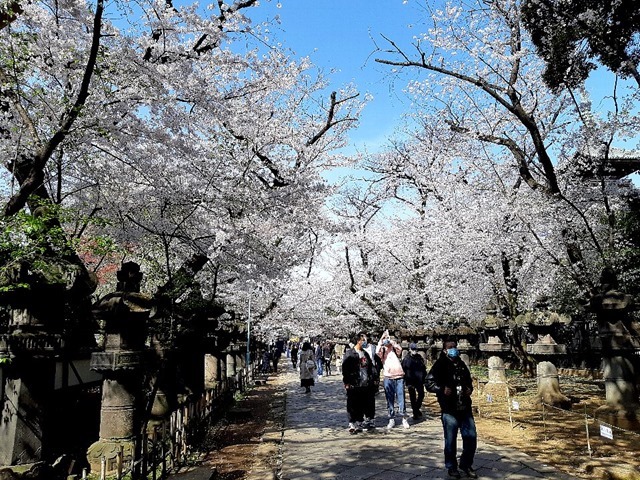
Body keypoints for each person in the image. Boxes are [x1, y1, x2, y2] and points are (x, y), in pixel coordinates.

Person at [425, 339, 478, 479]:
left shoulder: (460, 363)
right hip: (449, 409)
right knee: (450, 440)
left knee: (471, 437)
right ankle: (451, 467)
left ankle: (466, 464)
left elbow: (468, 381)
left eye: (454, 346)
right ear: (444, 350)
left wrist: (469, 389)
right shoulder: (440, 364)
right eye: (450, 347)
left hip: (464, 406)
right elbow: (429, 382)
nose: (453, 349)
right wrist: (441, 389)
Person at [341, 332, 375, 433]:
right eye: (363, 340)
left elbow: (370, 368)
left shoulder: (365, 353)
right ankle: (352, 422)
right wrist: (346, 382)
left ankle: (360, 421)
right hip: (353, 383)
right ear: (358, 341)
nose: (365, 342)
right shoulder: (350, 354)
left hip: (364, 384)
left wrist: (373, 378)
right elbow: (345, 369)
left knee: (361, 403)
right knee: (352, 403)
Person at [376, 329, 409, 429]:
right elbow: (377, 352)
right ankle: (391, 418)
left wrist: (392, 342)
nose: (387, 340)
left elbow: (400, 349)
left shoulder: (394, 349)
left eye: (387, 338)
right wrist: (381, 341)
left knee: (401, 398)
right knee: (389, 399)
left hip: (399, 377)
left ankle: (404, 417)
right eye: (385, 338)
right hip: (388, 377)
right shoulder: (383, 351)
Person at [402, 342, 427, 419]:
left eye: (416, 349)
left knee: (421, 395)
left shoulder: (419, 357)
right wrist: (405, 380)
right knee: (412, 397)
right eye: (413, 349)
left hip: (419, 380)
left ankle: (416, 408)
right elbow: (403, 370)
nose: (415, 351)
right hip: (410, 381)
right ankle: (415, 412)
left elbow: (423, 368)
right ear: (409, 349)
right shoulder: (406, 359)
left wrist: (424, 378)